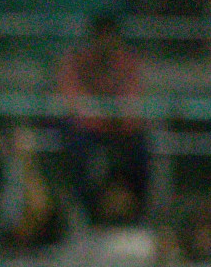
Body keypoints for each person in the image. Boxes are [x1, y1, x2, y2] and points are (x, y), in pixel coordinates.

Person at [57, 13, 146, 220]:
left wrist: (118, 117)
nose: (106, 42)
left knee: (141, 150)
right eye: (101, 37)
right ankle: (84, 211)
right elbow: (72, 99)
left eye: (110, 37)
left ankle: (136, 214)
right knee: (75, 148)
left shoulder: (127, 62)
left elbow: (132, 101)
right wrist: (99, 117)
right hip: (87, 129)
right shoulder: (78, 60)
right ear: (94, 38)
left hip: (120, 129)